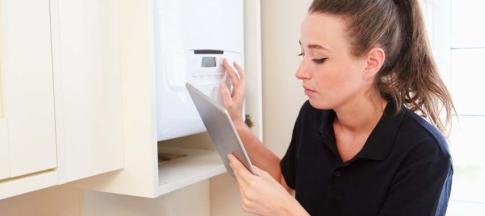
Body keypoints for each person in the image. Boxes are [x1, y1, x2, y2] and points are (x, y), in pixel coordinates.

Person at [219, 0, 454, 215]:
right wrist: (236, 123)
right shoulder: (313, 115)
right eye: (303, 53)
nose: (300, 72)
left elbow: (285, 205)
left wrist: (286, 212)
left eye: (319, 58)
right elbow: (285, 180)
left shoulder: (425, 153)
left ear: (371, 63)